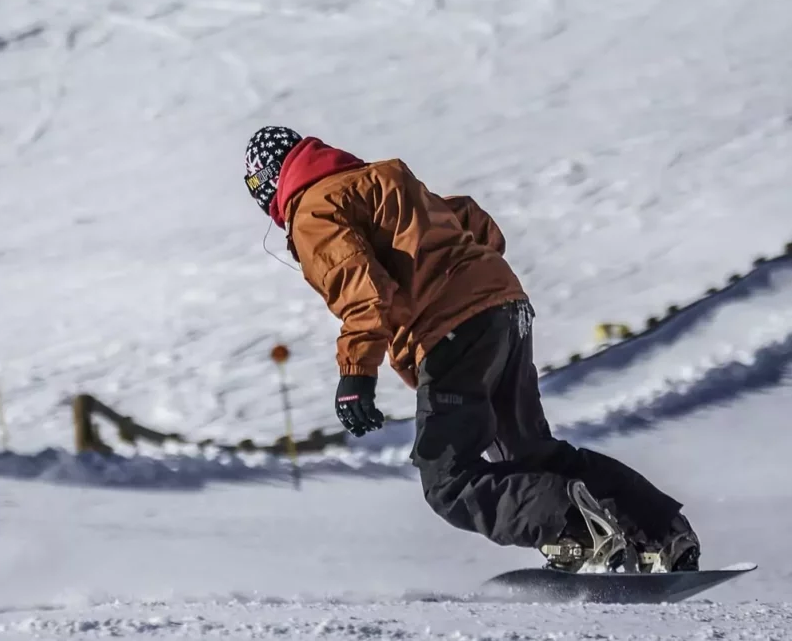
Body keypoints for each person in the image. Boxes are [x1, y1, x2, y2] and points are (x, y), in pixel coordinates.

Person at [242, 125, 700, 573]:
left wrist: (355, 374)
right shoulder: (381, 178)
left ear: (267, 182)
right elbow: (472, 218)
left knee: (448, 478)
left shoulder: (313, 210)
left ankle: (579, 531)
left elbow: (364, 293)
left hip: (452, 328)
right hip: (505, 307)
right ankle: (661, 534)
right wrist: (470, 274)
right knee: (528, 452)